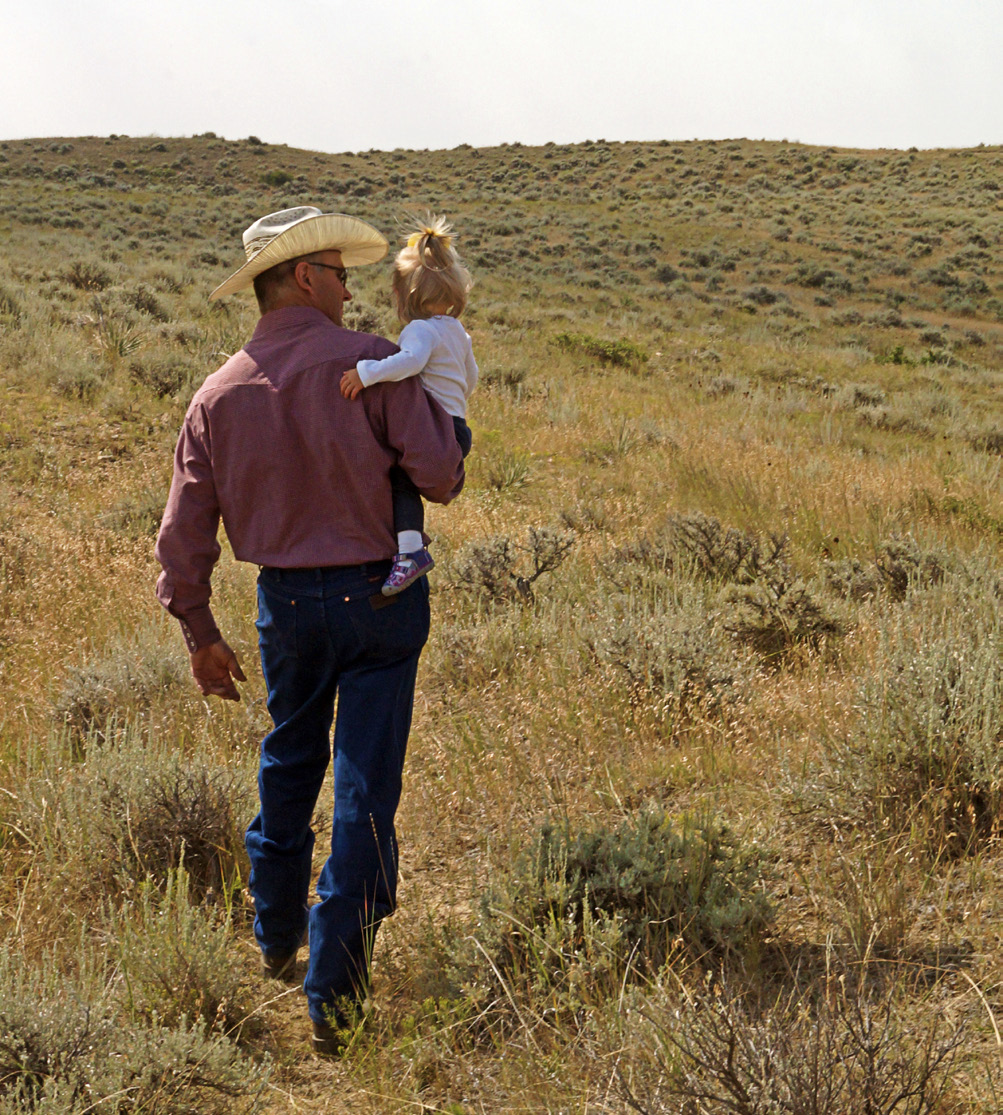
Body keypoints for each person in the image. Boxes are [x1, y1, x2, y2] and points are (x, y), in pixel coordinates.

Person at [154, 206, 464, 1054]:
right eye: (338, 273)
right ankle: (334, 995)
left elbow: (184, 533)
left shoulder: (216, 392)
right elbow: (440, 478)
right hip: (379, 597)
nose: (347, 287)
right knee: (365, 788)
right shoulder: (369, 360)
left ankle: (275, 932)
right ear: (302, 278)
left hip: (282, 605)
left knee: (290, 754)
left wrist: (198, 633)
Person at [339, 215, 477, 596]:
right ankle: (409, 539)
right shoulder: (455, 331)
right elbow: (473, 375)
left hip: (435, 427)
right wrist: (454, 404)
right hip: (457, 426)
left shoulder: (420, 329)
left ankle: (410, 552)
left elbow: (410, 363)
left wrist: (365, 373)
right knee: (406, 482)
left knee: (397, 477)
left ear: (405, 293)